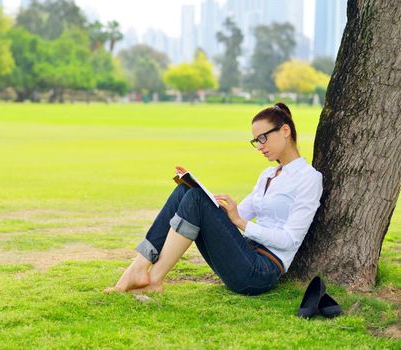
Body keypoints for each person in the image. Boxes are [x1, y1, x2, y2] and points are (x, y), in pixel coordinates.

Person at [104, 103, 323, 296]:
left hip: (260, 271)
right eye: (255, 141)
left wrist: (242, 224)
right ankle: (139, 268)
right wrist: (196, 184)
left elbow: (291, 240)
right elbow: (230, 214)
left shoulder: (308, 178)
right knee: (186, 192)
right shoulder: (268, 175)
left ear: (285, 130)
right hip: (243, 254)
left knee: (196, 198)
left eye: (263, 138)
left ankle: (153, 279)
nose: (260, 146)